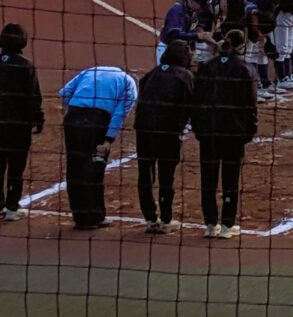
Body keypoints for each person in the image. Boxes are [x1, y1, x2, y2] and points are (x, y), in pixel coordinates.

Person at [194, 30, 259, 239]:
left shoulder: (205, 68)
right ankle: (226, 226)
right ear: (241, 46)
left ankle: (210, 224)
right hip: (233, 133)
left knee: (208, 178)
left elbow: (195, 102)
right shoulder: (244, 69)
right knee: (230, 179)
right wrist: (249, 131)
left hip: (208, 132)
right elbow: (250, 105)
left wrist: (198, 129)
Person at [58, 64, 138, 230]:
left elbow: (64, 92)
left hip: (73, 118)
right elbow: (119, 114)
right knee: (94, 167)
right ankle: (94, 217)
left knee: (75, 167)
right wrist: (108, 139)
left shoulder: (90, 71)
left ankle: (80, 218)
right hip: (96, 122)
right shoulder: (129, 84)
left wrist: (74, 110)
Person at [135, 40, 196, 234]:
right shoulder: (185, 76)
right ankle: (165, 220)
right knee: (166, 175)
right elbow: (192, 104)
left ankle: (150, 219)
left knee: (145, 173)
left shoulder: (152, 73)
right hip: (168, 131)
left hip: (143, 128)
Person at [0, 23, 43, 221]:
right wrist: (38, 118)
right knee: (16, 167)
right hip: (18, 126)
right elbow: (33, 96)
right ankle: (11, 207)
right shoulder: (25, 65)